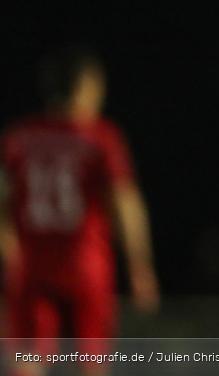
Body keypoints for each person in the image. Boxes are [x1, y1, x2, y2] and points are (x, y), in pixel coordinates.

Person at [0, 46, 159, 376]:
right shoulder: (101, 137)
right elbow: (126, 204)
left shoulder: (18, 138)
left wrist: (7, 247)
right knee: (92, 363)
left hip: (31, 263)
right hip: (87, 263)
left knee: (28, 362)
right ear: (88, 86)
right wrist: (141, 266)